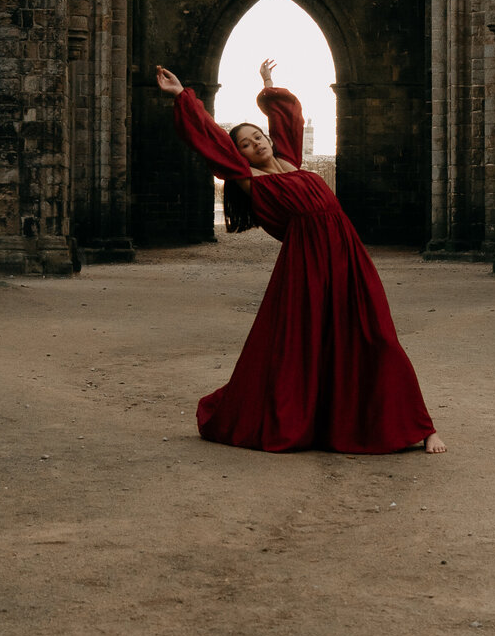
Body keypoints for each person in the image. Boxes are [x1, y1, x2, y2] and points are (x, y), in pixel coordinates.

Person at [156, 57, 446, 455]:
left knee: (375, 333)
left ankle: (421, 426)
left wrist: (269, 85)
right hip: (306, 264)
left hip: (347, 254)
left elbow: (289, 117)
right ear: (238, 155)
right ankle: (321, 421)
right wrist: (183, 96)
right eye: (245, 143)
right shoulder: (248, 180)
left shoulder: (292, 159)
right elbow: (210, 139)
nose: (256, 142)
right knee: (304, 344)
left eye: (258, 136)